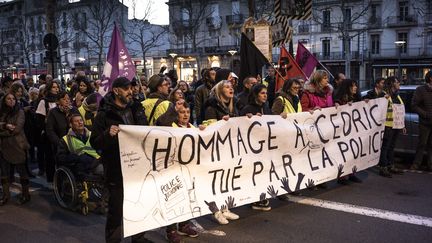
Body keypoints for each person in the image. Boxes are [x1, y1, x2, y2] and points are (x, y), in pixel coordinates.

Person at [90, 77, 149, 243]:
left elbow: (147, 131)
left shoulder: (136, 107)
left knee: (138, 205)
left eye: (131, 88)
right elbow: (95, 142)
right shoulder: (104, 114)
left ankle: (139, 238)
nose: (131, 91)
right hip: (116, 169)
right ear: (116, 90)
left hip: (137, 167)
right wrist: (108, 134)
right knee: (116, 209)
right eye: (126, 89)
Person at [203, 80, 240, 224]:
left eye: (231, 87)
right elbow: (209, 128)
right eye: (227, 87)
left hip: (229, 149)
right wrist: (220, 123)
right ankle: (216, 211)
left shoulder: (233, 106)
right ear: (220, 90)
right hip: (216, 150)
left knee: (226, 179)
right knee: (216, 181)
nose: (231, 89)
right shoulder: (211, 107)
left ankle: (225, 208)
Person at [0, 93, 31, 205]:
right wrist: (6, 126)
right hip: (3, 146)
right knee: (4, 173)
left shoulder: (20, 112)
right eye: (8, 99)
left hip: (17, 145)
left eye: (13, 99)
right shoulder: (1, 112)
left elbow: (17, 129)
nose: (11, 100)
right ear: (4, 100)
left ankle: (26, 194)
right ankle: (5, 196)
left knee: (22, 172)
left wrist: (2, 129)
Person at [333, 79, 363, 184]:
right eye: (353, 86)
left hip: (353, 131)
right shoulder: (339, 100)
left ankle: (351, 173)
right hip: (342, 133)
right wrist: (341, 107)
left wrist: (367, 103)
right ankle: (341, 177)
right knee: (343, 153)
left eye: (356, 86)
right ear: (347, 88)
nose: (355, 88)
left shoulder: (356, 99)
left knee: (352, 153)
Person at [378, 77, 406, 178]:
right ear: (391, 84)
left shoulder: (397, 96)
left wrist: (402, 125)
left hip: (396, 125)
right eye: (397, 82)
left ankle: (391, 165)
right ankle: (383, 167)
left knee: (392, 146)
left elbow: (400, 110)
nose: (399, 84)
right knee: (385, 146)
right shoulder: (383, 95)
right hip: (387, 125)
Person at [35, 79, 59, 181]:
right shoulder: (43, 102)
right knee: (49, 156)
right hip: (48, 134)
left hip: (60, 132)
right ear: (48, 89)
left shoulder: (60, 100)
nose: (56, 89)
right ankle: (51, 177)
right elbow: (39, 121)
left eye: (57, 87)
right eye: (54, 87)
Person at [410, 71, 432, 171]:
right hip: (425, 123)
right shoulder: (421, 90)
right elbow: (414, 105)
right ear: (430, 78)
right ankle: (416, 164)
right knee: (422, 144)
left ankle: (430, 165)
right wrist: (425, 114)